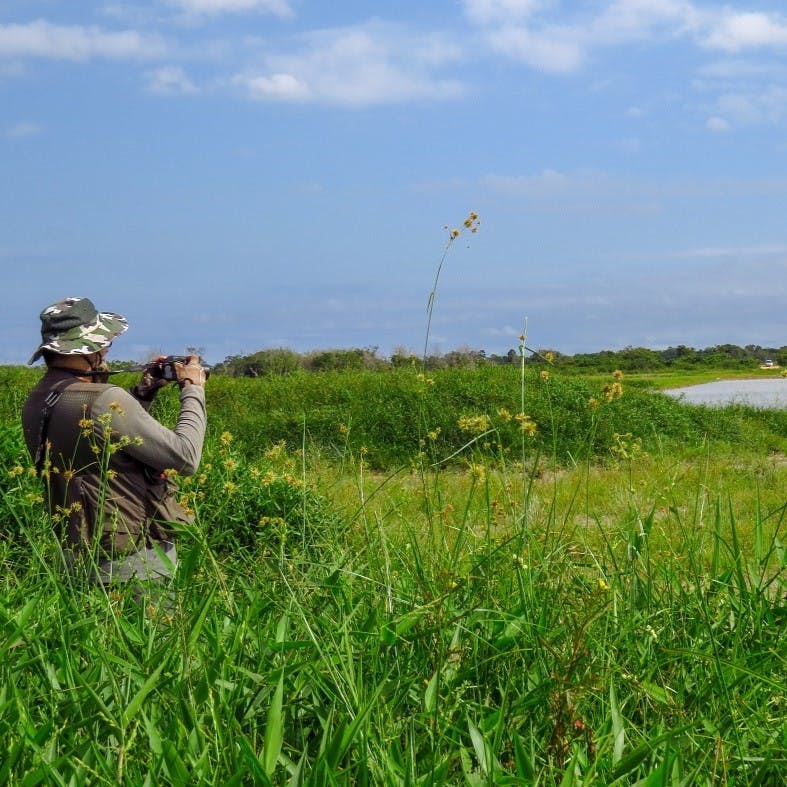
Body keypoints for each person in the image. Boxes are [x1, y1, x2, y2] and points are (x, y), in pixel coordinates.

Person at [21, 296, 207, 594]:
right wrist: (193, 390)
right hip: (134, 566)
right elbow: (185, 458)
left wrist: (141, 396)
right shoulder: (104, 398)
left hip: (74, 558)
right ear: (90, 348)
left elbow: (102, 447)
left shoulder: (38, 398)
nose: (107, 348)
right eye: (103, 342)